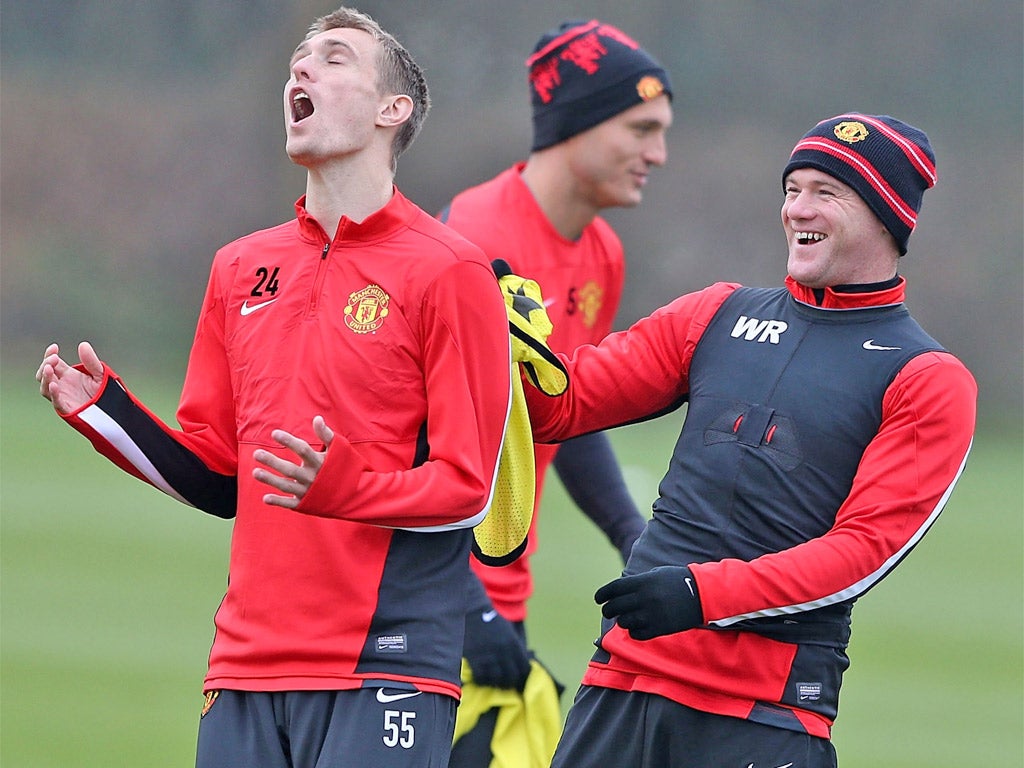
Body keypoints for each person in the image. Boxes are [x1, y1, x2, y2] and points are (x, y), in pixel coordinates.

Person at [35, 7, 512, 768]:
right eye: (296, 60)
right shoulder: (237, 267)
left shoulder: (451, 270)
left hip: (384, 664)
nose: (301, 71)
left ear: (395, 110)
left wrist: (344, 488)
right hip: (244, 667)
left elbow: (469, 486)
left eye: (333, 59)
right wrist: (106, 415)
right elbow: (223, 476)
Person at [521, 113, 977, 767]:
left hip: (765, 711)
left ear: (885, 213)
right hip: (622, 682)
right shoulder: (715, 313)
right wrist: (502, 344)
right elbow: (558, 407)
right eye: (792, 189)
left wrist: (700, 594)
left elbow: (860, 554)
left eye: (826, 191)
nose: (797, 208)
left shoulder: (928, 379)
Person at [437, 18, 672, 765]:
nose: (657, 154)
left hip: (498, 605)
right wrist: (463, 603)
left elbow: (560, 413)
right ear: (577, 124)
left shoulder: (602, 252)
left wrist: (631, 535)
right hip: (422, 605)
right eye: (639, 129)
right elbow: (408, 435)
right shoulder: (474, 237)